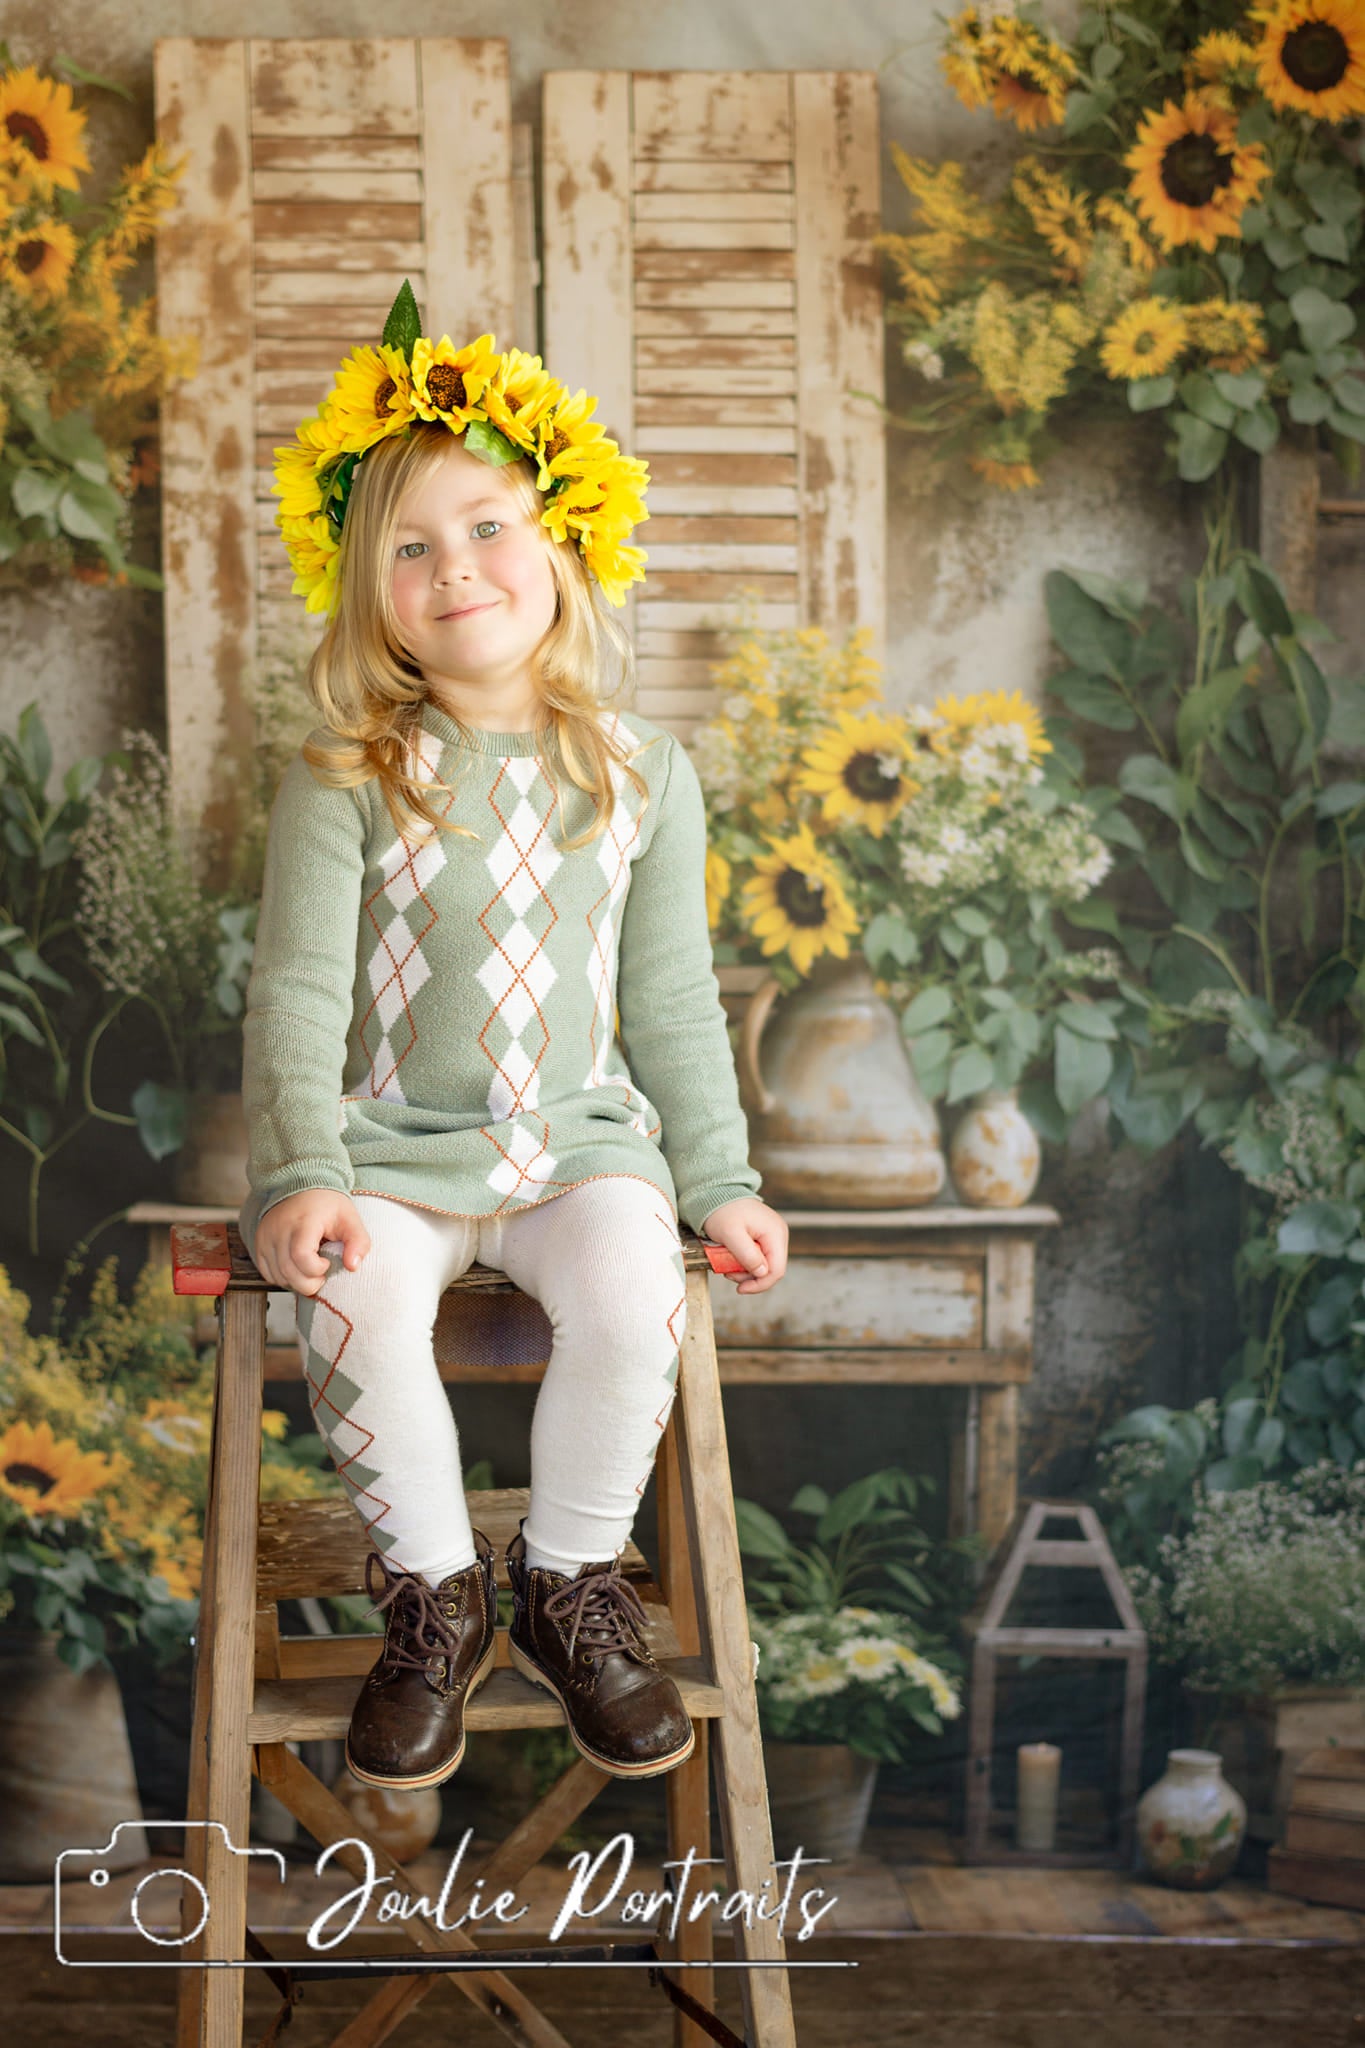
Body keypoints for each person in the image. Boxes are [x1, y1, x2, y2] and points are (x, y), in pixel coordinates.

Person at [241, 299, 788, 1796]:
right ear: (367, 593)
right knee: (348, 1300)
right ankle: (434, 1596)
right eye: (406, 548)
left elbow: (671, 997)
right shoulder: (347, 772)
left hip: (576, 1147)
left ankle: (564, 1584)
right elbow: (292, 991)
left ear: (561, 539)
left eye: (484, 524)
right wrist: (302, 1176)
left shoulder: (640, 771)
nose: (452, 568)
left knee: (631, 1294)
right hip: (394, 1152)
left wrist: (720, 1180)